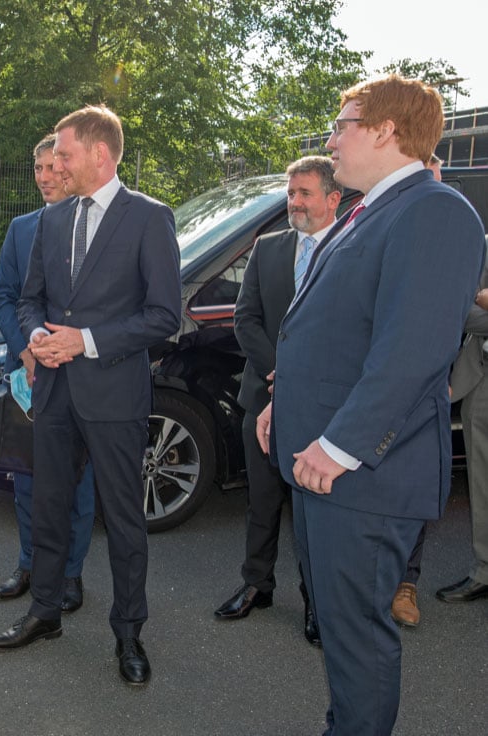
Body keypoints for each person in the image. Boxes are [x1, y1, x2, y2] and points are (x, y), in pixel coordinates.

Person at [256, 75, 485, 734]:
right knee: (337, 625)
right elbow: (338, 332)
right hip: (322, 459)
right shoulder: (371, 208)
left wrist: (341, 444)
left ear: (385, 131)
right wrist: (286, 402)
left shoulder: (432, 211)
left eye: (341, 125)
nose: (330, 140)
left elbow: (412, 349)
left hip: (360, 475)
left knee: (356, 639)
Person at [0, 105, 182, 686]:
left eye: (65, 154)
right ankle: (44, 612)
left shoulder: (149, 217)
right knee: (49, 507)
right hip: (54, 394)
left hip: (115, 395)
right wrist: (38, 335)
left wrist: (87, 340)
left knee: (124, 520)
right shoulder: (50, 222)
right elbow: (29, 298)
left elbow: (164, 316)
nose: (57, 164)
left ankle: (128, 634)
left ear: (100, 153)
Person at [214, 155, 339, 649]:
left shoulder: (349, 250)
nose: (295, 203)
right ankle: (256, 585)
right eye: (291, 194)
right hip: (262, 395)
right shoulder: (268, 249)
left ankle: (317, 600)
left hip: (323, 408)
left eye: (305, 193)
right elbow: (246, 320)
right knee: (261, 500)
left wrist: (303, 382)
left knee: (313, 509)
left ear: (333, 198)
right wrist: (278, 373)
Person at [0, 134, 95, 612]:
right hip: (28, 377)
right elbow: (5, 297)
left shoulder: (99, 226)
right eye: (37, 168)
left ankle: (70, 574)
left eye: (53, 166)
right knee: (27, 480)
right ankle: (30, 564)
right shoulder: (21, 229)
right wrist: (26, 349)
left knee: (77, 484)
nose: (44, 176)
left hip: (80, 378)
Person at [391, 152, 446, 627]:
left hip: (429, 388)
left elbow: (452, 313)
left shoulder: (453, 233)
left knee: (414, 487)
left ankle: (407, 583)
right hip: (381, 382)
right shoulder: (384, 231)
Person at [435, 241, 488, 605]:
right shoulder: (481, 248)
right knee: (482, 485)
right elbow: (459, 308)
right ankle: (485, 570)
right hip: (482, 381)